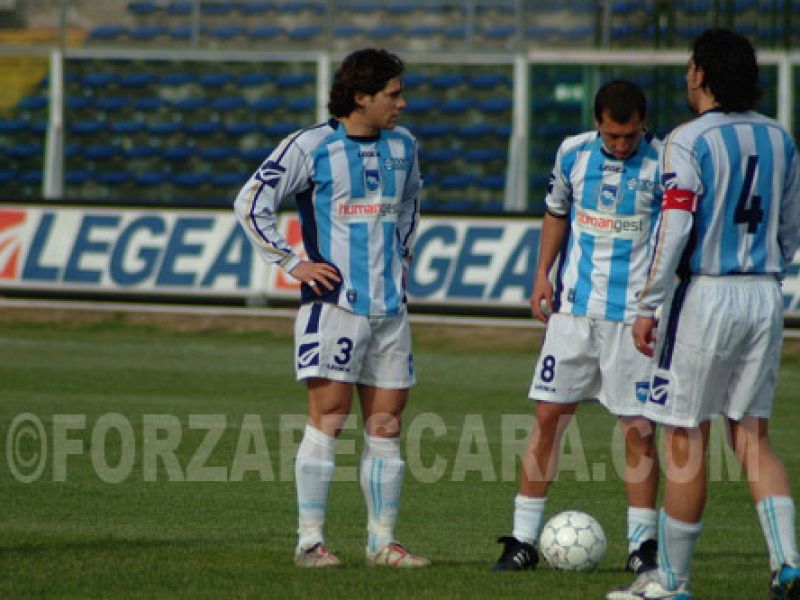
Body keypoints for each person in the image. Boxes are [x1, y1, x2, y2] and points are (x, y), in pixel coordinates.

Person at [608, 28, 800, 600]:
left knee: (683, 439)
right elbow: (791, 228)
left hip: (705, 297)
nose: (686, 76)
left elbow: (674, 229)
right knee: (752, 437)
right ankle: (788, 564)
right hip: (764, 293)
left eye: (691, 67)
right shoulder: (780, 138)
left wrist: (648, 305)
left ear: (703, 74)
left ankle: (670, 582)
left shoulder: (686, 140)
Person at [234, 48, 428, 568]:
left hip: (390, 308)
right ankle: (309, 542)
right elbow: (250, 201)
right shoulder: (310, 146)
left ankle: (382, 543)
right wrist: (291, 261)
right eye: (393, 94)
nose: (402, 104)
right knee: (330, 417)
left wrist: (402, 253)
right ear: (360, 97)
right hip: (334, 307)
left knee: (386, 424)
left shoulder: (404, 147)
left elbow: (410, 201)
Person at [493, 80, 662, 577]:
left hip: (634, 319)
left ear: (643, 125)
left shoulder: (666, 163)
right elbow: (556, 214)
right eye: (612, 136)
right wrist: (541, 274)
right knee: (548, 418)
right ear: (597, 124)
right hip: (573, 314)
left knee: (638, 430)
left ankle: (643, 545)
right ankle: (522, 539)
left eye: (629, 136)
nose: (621, 145)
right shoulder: (572, 154)